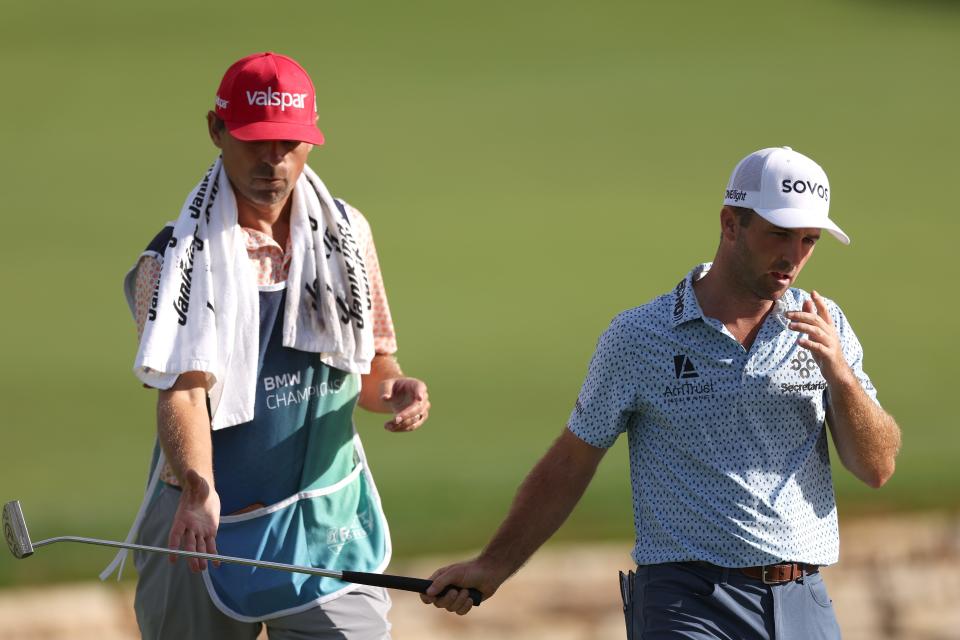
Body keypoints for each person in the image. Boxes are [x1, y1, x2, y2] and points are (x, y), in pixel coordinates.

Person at [421, 146, 901, 638]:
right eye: (778, 234)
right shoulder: (640, 336)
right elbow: (571, 461)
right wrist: (493, 565)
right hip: (688, 603)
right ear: (730, 224)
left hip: (803, 598)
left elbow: (876, 468)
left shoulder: (825, 326)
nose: (793, 256)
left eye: (808, 240)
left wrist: (840, 376)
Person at [104, 52, 430, 639]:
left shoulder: (347, 235)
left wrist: (395, 390)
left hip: (325, 519)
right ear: (216, 131)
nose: (272, 160)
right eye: (255, 140)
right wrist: (201, 491)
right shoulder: (170, 263)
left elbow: (371, 369)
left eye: (288, 141)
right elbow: (183, 394)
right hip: (200, 522)